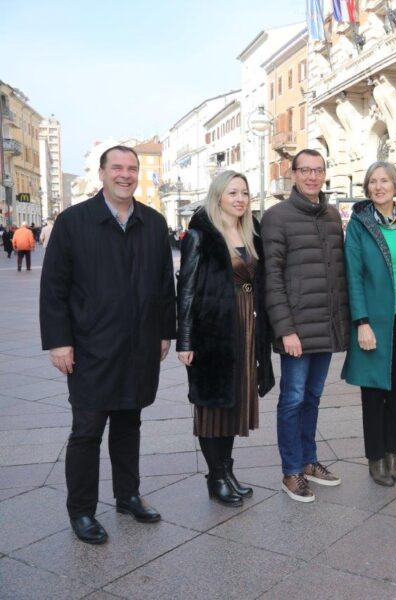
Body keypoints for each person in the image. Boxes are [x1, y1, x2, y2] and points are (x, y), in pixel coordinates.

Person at [39, 145, 175, 544]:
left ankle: (127, 494)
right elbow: (54, 289)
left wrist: (165, 331)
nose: (125, 174)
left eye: (132, 168)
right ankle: (81, 510)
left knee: (130, 422)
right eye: (117, 167)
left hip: (139, 344)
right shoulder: (73, 221)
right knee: (87, 430)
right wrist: (58, 342)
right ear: (101, 173)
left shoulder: (153, 222)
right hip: (90, 347)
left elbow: (165, 284)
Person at [176, 170, 275, 507]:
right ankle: (215, 477)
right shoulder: (200, 235)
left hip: (246, 328)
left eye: (244, 193)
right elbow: (185, 289)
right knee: (212, 408)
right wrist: (185, 340)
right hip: (213, 330)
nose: (240, 199)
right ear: (218, 195)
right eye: (233, 192)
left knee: (234, 405)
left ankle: (227, 471)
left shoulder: (251, 231)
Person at [262, 148, 349, 503]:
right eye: (305, 170)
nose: (312, 177)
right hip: (296, 328)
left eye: (318, 170)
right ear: (293, 175)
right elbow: (272, 277)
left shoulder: (330, 215)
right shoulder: (276, 217)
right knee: (293, 399)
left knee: (312, 397)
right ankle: (291, 470)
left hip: (325, 327)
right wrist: (285, 330)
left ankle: (309, 461)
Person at [342, 161, 396, 487]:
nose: (379, 186)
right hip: (374, 322)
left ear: (395, 184)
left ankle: (393, 453)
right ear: (367, 187)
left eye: (385, 180)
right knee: (374, 394)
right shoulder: (359, 225)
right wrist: (361, 321)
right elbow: (354, 276)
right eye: (373, 181)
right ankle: (375, 458)